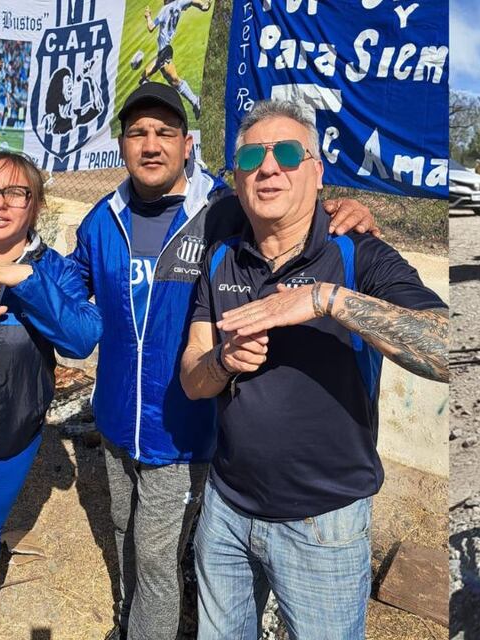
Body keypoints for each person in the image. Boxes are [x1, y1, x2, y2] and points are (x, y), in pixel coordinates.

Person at [35, 82, 374, 640]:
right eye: (137, 133)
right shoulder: (104, 217)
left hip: (185, 428)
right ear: (120, 145)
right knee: (124, 528)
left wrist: (346, 207)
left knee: (157, 557)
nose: (150, 145)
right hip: (118, 421)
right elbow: (74, 292)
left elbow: (289, 212)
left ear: (187, 144)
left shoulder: (222, 209)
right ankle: (130, 619)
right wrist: (27, 277)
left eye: (164, 133)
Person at [178, 100, 448, 640]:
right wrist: (222, 362)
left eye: (287, 153)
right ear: (237, 175)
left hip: (323, 527)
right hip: (226, 512)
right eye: (253, 154)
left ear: (318, 170)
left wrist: (327, 300)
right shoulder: (221, 258)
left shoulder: (358, 255)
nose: (269, 166)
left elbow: (446, 347)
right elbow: (191, 377)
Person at [0, 152, 101, 640]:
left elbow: (81, 338)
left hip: (9, 444)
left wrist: (30, 284)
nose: (0, 203)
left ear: (35, 205)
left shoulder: (54, 270)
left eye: (16, 193)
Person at [139, 0, 211, 119]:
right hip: (162, 52)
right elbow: (195, 2)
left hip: (164, 50)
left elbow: (151, 27)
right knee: (144, 77)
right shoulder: (179, 3)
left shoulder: (165, 9)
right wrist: (204, 5)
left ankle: (195, 101)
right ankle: (150, 104)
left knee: (174, 80)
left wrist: (148, 17)